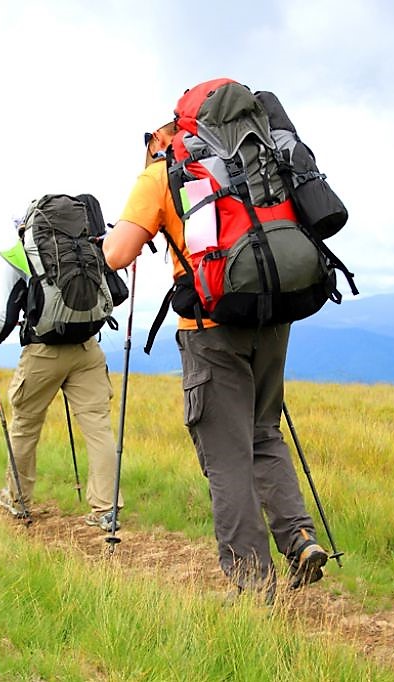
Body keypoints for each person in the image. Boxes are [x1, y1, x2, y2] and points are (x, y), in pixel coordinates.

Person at [102, 120, 328, 602]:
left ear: (159, 140)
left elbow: (118, 254)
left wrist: (132, 226)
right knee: (264, 434)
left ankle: (252, 585)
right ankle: (299, 538)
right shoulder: (252, 158)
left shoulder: (164, 175)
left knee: (226, 459)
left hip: (210, 329)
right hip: (272, 316)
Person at [0, 220, 122, 532]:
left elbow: (8, 312)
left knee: (25, 427)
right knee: (98, 427)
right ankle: (107, 509)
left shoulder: (22, 254)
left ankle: (19, 501)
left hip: (44, 352)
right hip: (87, 347)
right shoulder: (82, 247)